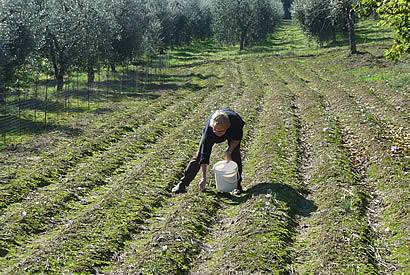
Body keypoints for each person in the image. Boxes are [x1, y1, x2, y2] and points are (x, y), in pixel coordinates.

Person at [172, 109, 245, 195]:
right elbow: (204, 156)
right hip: (211, 133)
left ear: (227, 128)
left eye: (221, 131)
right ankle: (182, 184)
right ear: (212, 127)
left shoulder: (235, 124)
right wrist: (203, 178)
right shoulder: (209, 131)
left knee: (234, 155)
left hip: (232, 130)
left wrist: (229, 151)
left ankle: (237, 184)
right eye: (216, 130)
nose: (218, 133)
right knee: (198, 157)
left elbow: (236, 140)